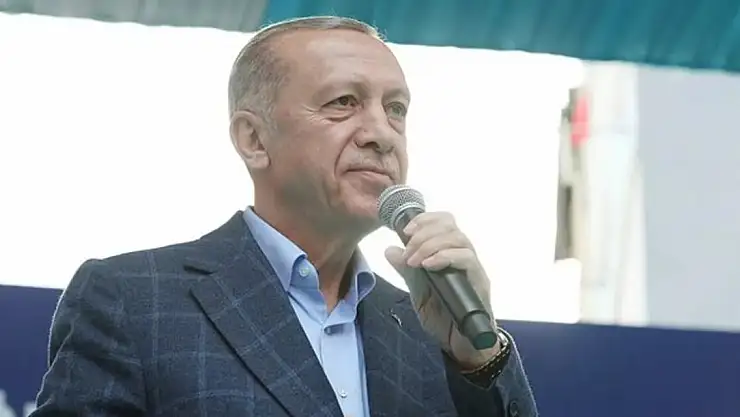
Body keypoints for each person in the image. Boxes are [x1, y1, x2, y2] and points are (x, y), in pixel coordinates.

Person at [31, 16, 537, 417]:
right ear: (254, 139)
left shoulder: (430, 328)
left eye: (396, 109)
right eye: (343, 102)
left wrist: (478, 359)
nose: (382, 133)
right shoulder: (132, 300)